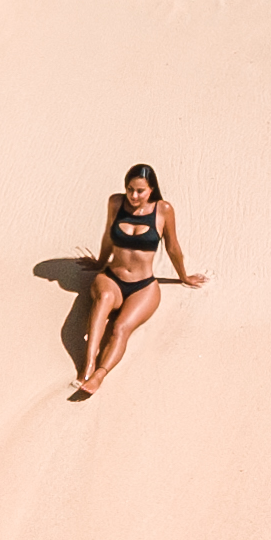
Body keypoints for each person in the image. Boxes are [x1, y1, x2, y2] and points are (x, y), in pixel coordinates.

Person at [78, 162, 205, 396]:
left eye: (140, 191)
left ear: (151, 190)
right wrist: (98, 262)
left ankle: (99, 375)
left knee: (120, 328)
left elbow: (173, 247)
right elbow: (108, 236)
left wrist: (184, 276)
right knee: (103, 300)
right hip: (112, 279)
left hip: (143, 286)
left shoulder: (163, 210)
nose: (134, 196)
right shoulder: (116, 203)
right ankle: (87, 366)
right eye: (130, 190)